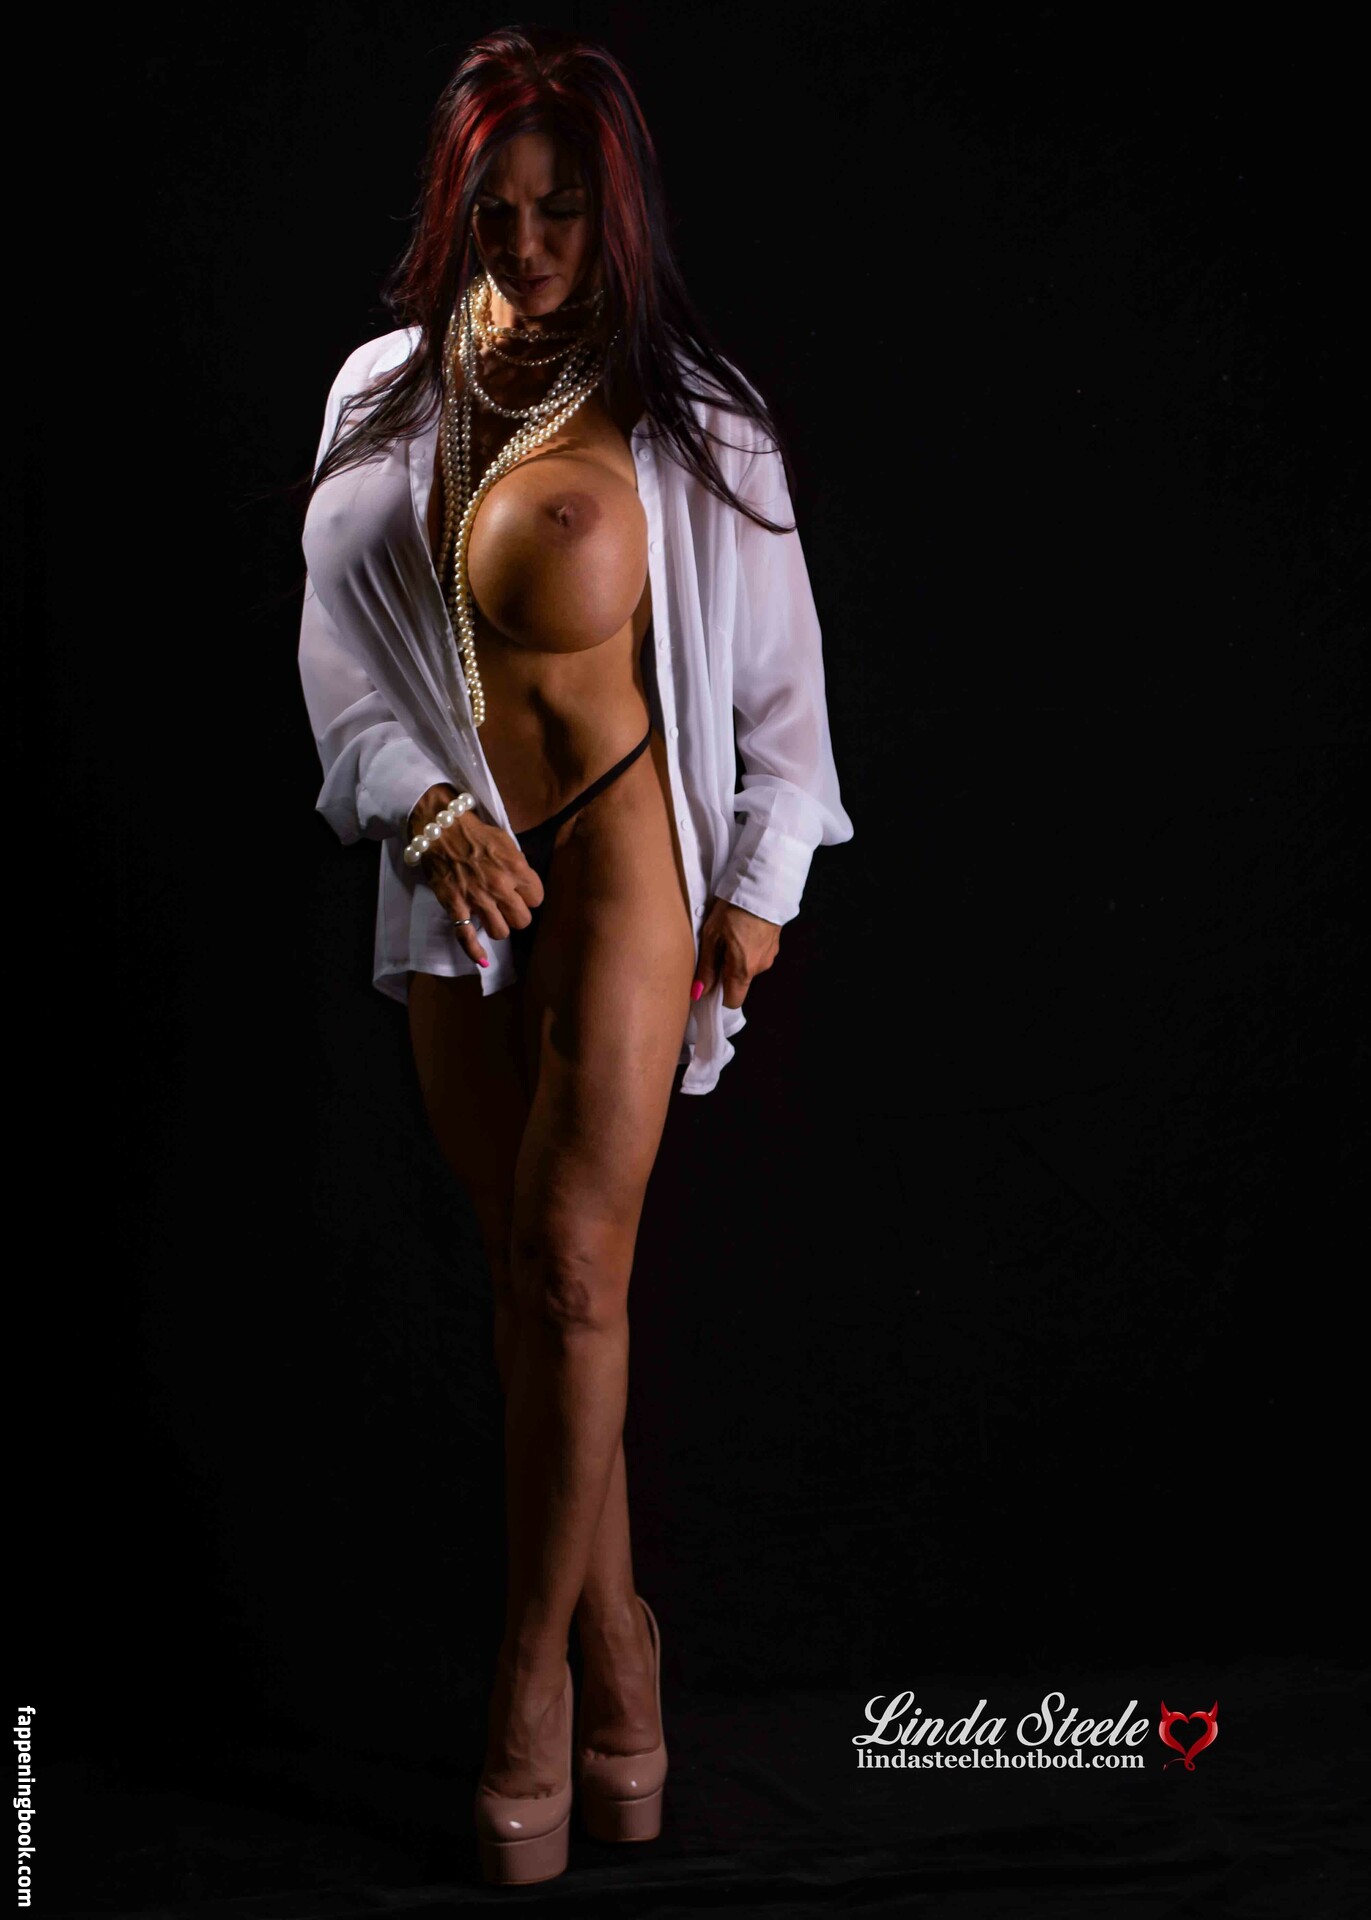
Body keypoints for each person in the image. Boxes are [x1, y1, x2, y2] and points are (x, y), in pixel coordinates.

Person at [297, 23, 853, 1887]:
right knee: (528, 1284)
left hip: (621, 854)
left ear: (613, 210)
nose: (528, 246)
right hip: (457, 870)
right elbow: (336, 646)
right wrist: (411, 802)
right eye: (496, 212)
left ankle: (529, 1682)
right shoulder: (384, 392)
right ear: (455, 207)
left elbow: (784, 700)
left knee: (566, 1266)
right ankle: (626, 1652)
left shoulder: (694, 414)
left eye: (558, 211)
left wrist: (757, 888)